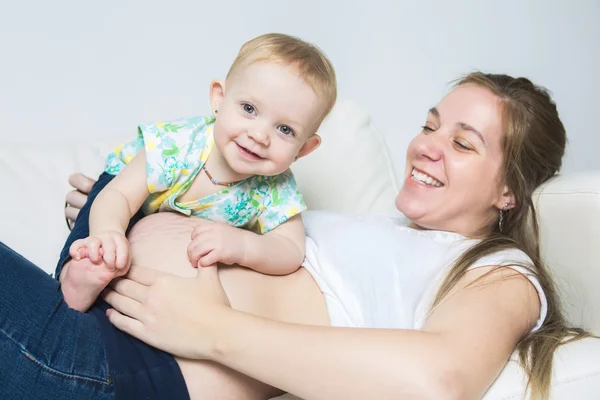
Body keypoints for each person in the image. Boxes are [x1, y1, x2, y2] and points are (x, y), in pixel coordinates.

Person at [2, 72, 590, 400]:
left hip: (117, 367)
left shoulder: (501, 272)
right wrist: (121, 208)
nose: (426, 146)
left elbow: (440, 380)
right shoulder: (385, 232)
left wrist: (211, 330)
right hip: (88, 318)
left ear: (509, 191)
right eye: (429, 125)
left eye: (463, 143)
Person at [61, 33, 336, 312]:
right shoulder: (178, 145)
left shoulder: (276, 189)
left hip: (164, 236)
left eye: (285, 130)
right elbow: (119, 195)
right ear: (219, 98)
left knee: (134, 267)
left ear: (304, 149)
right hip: (132, 191)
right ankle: (75, 275)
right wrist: (108, 229)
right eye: (249, 109)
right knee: (103, 227)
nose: (259, 135)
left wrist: (243, 245)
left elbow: (290, 250)